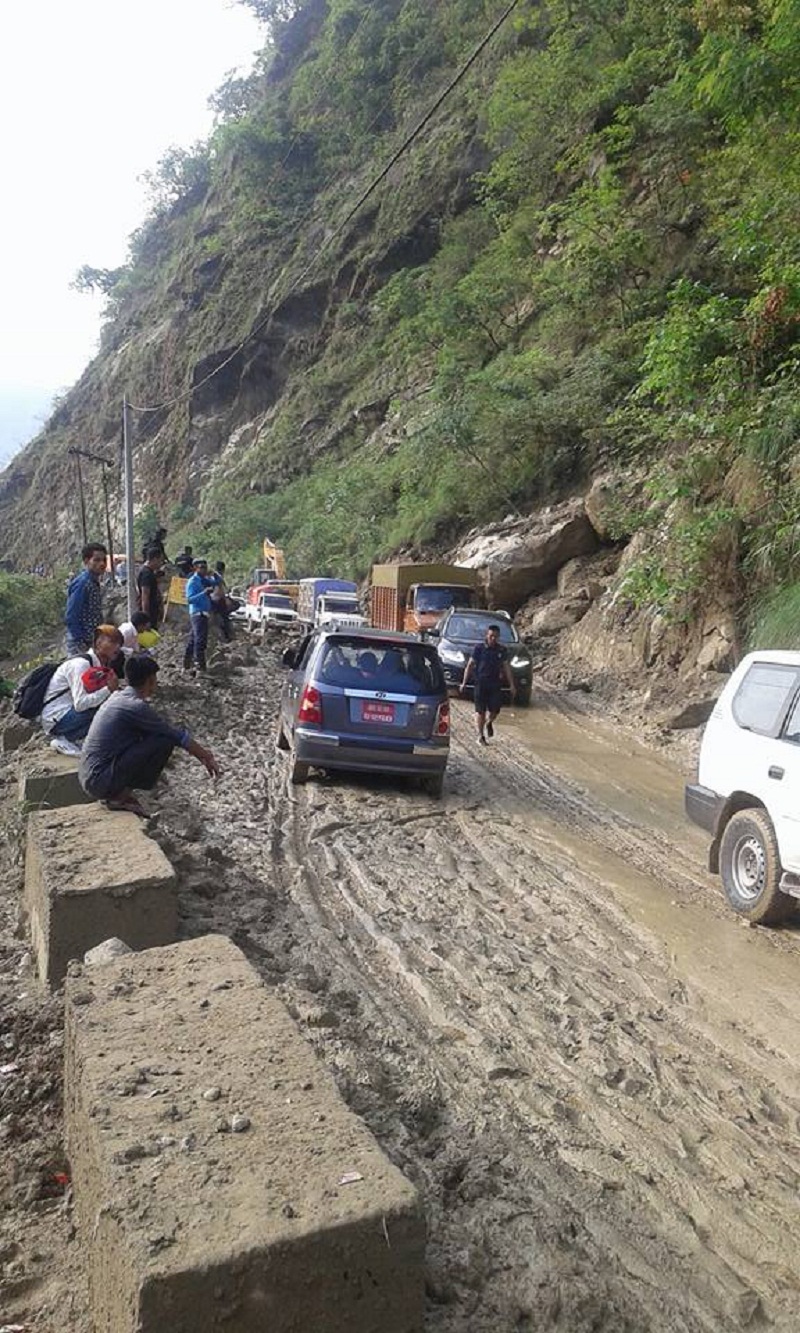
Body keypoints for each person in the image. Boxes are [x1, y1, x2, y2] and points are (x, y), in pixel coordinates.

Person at [79, 654, 220, 815]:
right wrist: (206, 756)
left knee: (151, 736)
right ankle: (119, 796)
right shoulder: (135, 706)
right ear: (150, 680)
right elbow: (176, 736)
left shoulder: (118, 697)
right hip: (99, 780)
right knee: (163, 741)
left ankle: (119, 792)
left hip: (90, 778)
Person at [40, 625, 124, 755]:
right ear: (99, 642)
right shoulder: (81, 664)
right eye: (112, 642)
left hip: (67, 715)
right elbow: (81, 704)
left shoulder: (98, 666)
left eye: (119, 644)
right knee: (108, 706)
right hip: (57, 717)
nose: (117, 648)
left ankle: (71, 739)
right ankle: (64, 739)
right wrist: (108, 689)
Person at [460, 623, 515, 745]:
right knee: (480, 711)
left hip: (495, 684)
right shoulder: (479, 649)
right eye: (491, 636)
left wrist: (512, 685)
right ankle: (480, 736)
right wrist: (464, 682)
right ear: (487, 635)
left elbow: (506, 668)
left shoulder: (502, 650)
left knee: (495, 709)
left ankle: (489, 722)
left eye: (495, 636)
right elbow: (469, 665)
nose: (493, 639)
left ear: (498, 636)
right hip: (481, 683)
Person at [64, 542, 107, 655]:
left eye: (104, 560)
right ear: (86, 561)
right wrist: (80, 642)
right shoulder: (83, 583)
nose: (102, 564)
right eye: (96, 560)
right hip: (80, 643)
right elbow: (71, 615)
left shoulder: (94, 582)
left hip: (91, 640)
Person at [184, 557, 220, 672]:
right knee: (200, 640)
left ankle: (187, 664)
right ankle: (199, 666)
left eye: (205, 567)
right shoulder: (193, 581)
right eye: (201, 567)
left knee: (193, 640)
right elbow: (189, 600)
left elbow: (217, 582)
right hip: (197, 613)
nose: (204, 570)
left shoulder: (203, 580)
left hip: (203, 613)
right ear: (195, 568)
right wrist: (203, 593)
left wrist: (214, 574)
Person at [137, 546, 165, 625]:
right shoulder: (146, 574)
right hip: (149, 615)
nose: (161, 563)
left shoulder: (150, 572)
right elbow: (145, 597)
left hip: (154, 613)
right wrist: (146, 619)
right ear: (155, 559)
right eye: (160, 560)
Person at [209, 560, 233, 644]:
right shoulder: (218, 577)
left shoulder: (211, 576)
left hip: (212, 600)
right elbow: (220, 590)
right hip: (218, 600)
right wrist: (226, 599)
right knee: (225, 617)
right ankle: (227, 636)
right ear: (223, 569)